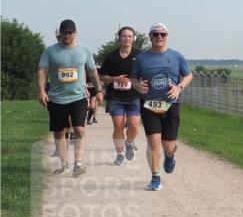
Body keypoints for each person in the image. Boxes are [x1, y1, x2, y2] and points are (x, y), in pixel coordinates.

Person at [37, 19, 102, 177]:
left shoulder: (84, 51)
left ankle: (78, 164)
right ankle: (64, 163)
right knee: (59, 133)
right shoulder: (50, 51)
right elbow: (42, 71)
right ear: (60, 33)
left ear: (75, 33)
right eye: (64, 33)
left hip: (78, 97)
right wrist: (41, 91)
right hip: (56, 98)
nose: (67, 35)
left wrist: (99, 90)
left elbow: (92, 72)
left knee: (79, 129)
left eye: (70, 33)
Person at [131, 23, 192, 191]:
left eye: (162, 34)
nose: (159, 37)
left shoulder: (177, 56)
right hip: (149, 105)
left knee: (168, 145)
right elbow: (134, 79)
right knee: (153, 142)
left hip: (170, 105)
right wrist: (138, 86)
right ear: (150, 37)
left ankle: (170, 155)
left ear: (167, 36)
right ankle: (155, 177)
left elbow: (188, 75)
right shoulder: (141, 58)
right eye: (156, 34)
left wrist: (179, 87)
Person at [99, 26, 142, 166]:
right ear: (119, 38)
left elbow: (145, 75)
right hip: (116, 97)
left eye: (130, 36)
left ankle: (129, 143)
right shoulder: (111, 57)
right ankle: (119, 154)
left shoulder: (139, 56)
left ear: (133, 39)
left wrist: (134, 82)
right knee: (118, 126)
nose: (127, 39)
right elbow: (102, 77)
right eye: (124, 36)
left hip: (133, 96)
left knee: (134, 125)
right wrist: (115, 79)